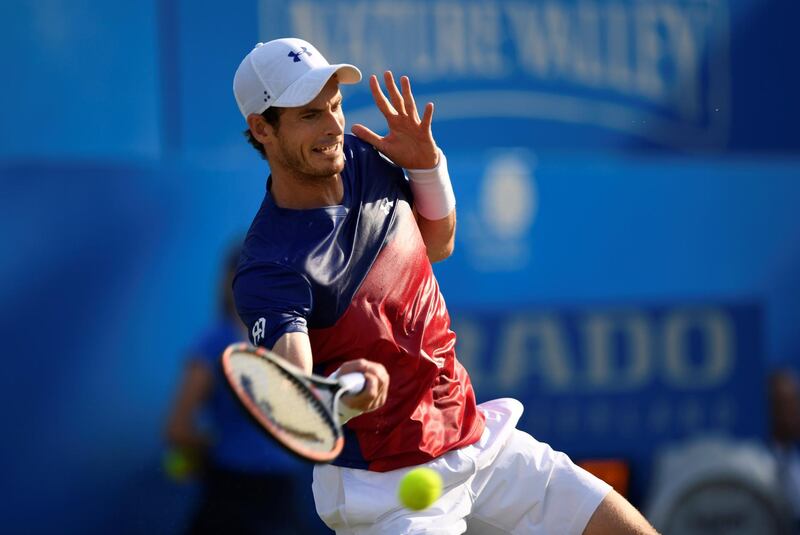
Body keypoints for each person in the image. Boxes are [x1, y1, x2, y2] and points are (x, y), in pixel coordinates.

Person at [231, 37, 658, 534]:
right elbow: (293, 390)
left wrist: (427, 165)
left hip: (475, 437)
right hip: (389, 493)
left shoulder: (366, 158)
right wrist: (339, 395)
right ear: (263, 129)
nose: (332, 126)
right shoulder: (269, 265)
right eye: (309, 115)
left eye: (335, 106)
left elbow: (437, 244)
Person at [164, 244, 306, 534]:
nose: (254, 284)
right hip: (231, 494)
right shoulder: (213, 343)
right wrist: (218, 449)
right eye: (244, 275)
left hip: (280, 493)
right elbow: (177, 428)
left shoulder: (291, 340)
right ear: (229, 283)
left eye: (262, 274)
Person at [769, 367, 800, 531]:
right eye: (785, 404)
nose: (796, 411)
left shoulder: (794, 459)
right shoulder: (755, 464)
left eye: (797, 401)